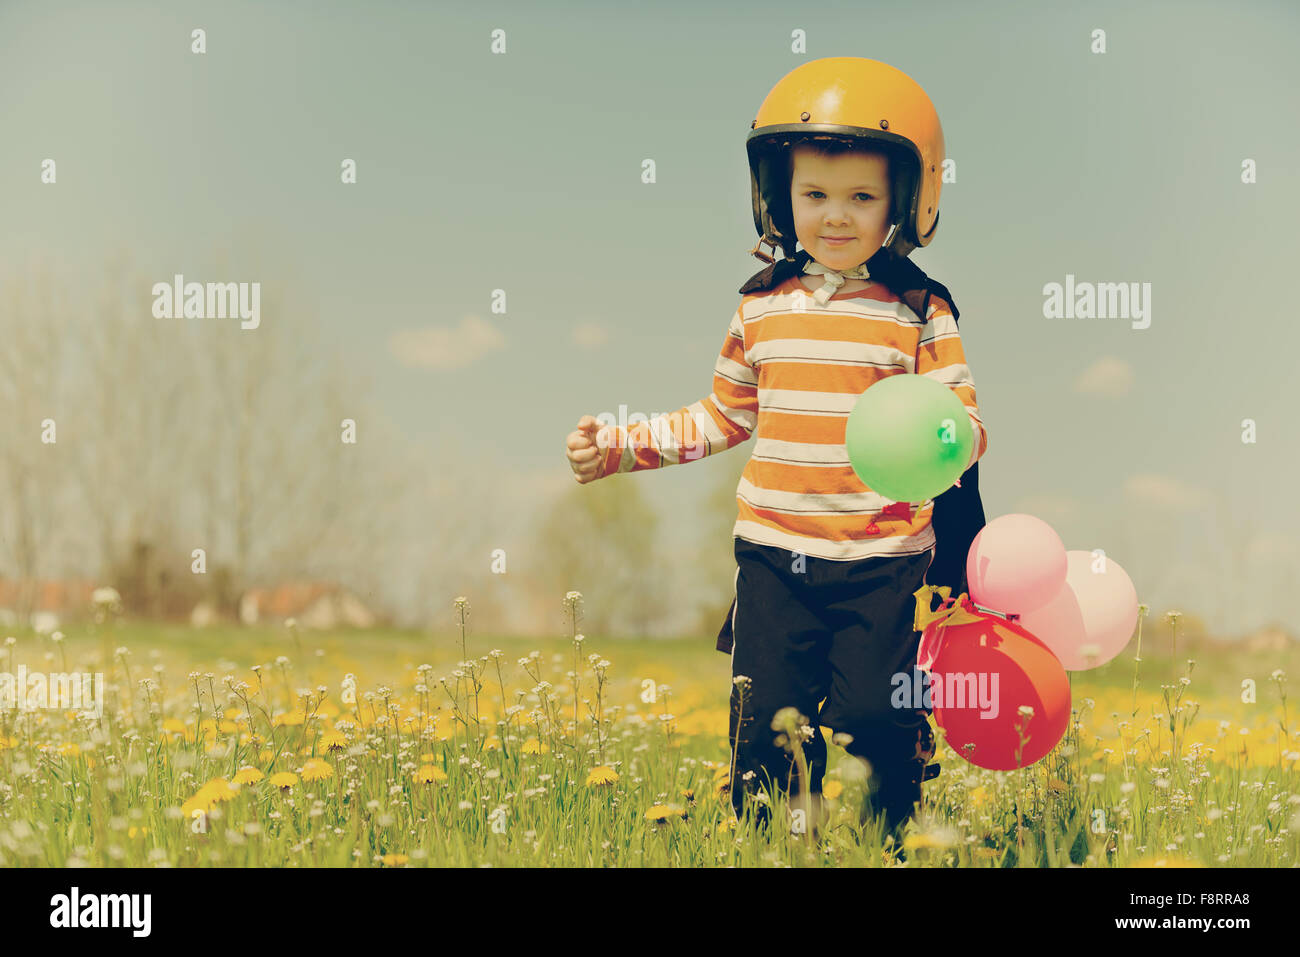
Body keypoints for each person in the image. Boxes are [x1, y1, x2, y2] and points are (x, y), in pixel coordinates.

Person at [563, 58, 988, 851]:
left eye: (862, 196)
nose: (835, 215)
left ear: (908, 198)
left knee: (873, 717)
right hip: (774, 556)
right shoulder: (759, 306)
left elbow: (963, 422)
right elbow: (722, 414)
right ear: (777, 195)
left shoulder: (919, 309)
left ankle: (885, 839)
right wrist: (620, 446)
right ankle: (771, 846)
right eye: (814, 195)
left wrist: (950, 436)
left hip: (884, 558)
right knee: (765, 727)